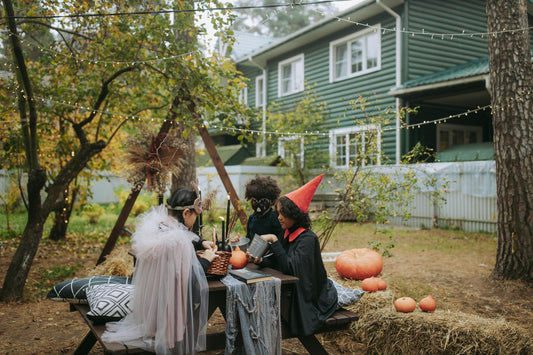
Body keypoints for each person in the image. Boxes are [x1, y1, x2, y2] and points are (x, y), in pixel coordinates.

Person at [102, 187, 218, 355]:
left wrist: (201, 243)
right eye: (195, 215)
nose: (195, 219)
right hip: (169, 308)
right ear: (186, 213)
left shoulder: (155, 227)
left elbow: (181, 239)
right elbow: (191, 281)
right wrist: (206, 259)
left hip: (152, 304)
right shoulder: (179, 243)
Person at [250, 174, 338, 336]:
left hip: (312, 297)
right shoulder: (288, 233)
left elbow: (290, 268)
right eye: (278, 213)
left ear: (294, 215)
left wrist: (274, 240)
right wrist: (262, 260)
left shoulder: (307, 239)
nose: (279, 218)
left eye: (283, 214)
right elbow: (279, 262)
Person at [244, 175, 283, 242]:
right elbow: (248, 239)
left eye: (263, 202)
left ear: (272, 202)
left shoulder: (276, 220)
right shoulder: (252, 218)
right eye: (254, 202)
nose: (258, 205)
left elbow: (280, 242)